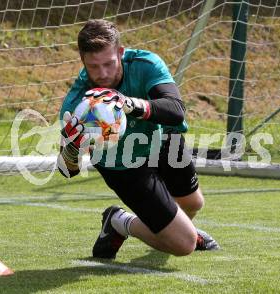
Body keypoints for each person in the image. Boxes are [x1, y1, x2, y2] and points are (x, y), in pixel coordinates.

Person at [57, 19, 219, 259]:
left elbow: (175, 110)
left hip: (163, 138)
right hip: (122, 163)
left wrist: (129, 104)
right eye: (93, 66)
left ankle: (170, 226)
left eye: (109, 64)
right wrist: (71, 149)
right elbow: (67, 170)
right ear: (82, 61)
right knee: (185, 244)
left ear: (120, 53)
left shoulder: (145, 64)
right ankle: (120, 222)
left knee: (193, 203)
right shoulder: (76, 106)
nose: (103, 73)